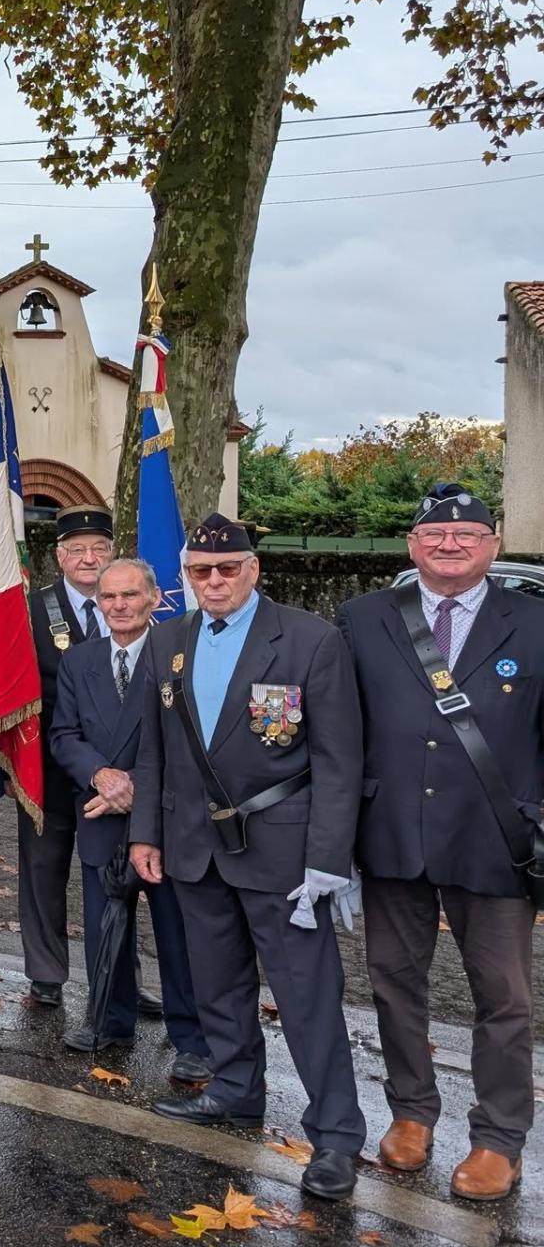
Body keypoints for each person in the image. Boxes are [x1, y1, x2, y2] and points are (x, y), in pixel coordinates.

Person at [130, 513, 364, 1202]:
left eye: (227, 568)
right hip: (195, 847)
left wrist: (329, 858)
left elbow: (339, 759)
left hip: (284, 850)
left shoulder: (310, 640)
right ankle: (234, 1090)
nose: (215, 581)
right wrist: (146, 832)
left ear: (253, 569)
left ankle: (336, 1134)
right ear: (187, 577)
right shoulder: (168, 639)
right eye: (201, 571)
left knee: (306, 995)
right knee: (218, 984)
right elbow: (155, 750)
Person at [337, 483, 541, 1202]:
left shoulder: (536, 623)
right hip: (391, 831)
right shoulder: (362, 619)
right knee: (394, 982)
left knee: (504, 995)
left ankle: (498, 1136)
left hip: (496, 839)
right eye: (434, 535)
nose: (450, 544)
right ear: (412, 545)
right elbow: (338, 731)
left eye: (467, 534)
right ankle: (412, 1112)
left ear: (492, 544)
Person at [49, 556, 209, 1079]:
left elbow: (191, 737)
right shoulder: (79, 661)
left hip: (162, 817)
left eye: (130, 596)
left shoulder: (180, 654)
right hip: (99, 810)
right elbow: (64, 736)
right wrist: (101, 776)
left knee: (177, 934)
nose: (119, 606)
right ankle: (108, 1020)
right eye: (109, 597)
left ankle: (192, 1038)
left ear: (155, 599)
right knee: (103, 926)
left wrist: (136, 788)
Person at [21, 504, 114, 1008]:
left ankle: (118, 975)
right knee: (43, 871)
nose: (88, 558)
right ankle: (46, 973)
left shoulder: (133, 603)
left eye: (99, 547)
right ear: (59, 556)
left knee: (114, 877)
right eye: (77, 549)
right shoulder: (33, 607)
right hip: (48, 766)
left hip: (116, 770)